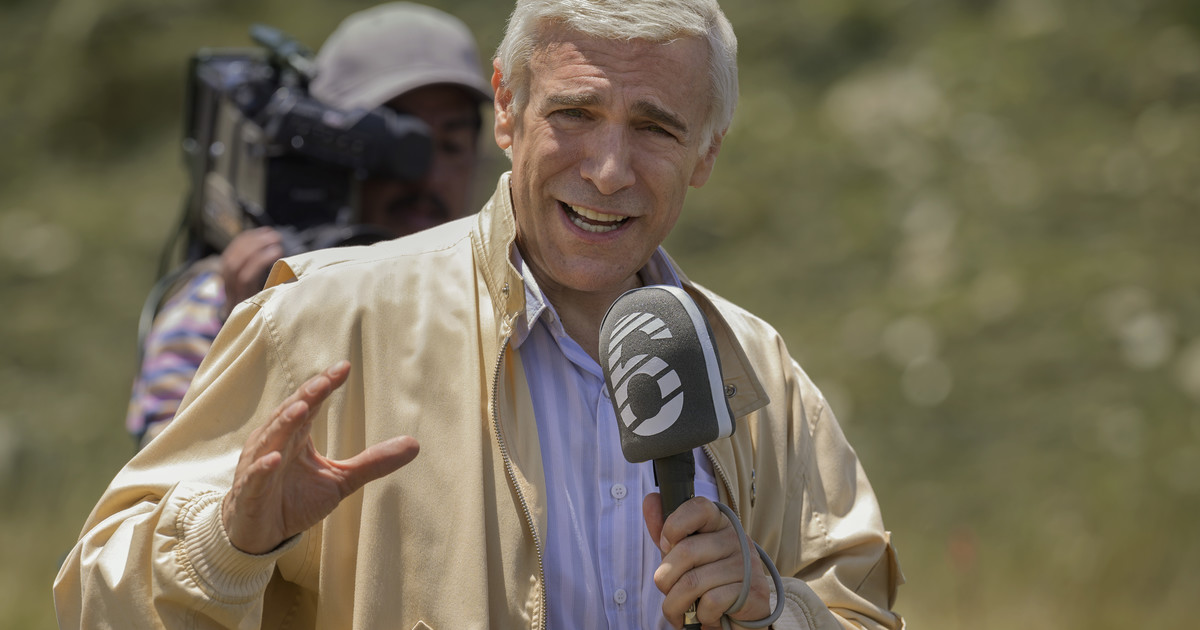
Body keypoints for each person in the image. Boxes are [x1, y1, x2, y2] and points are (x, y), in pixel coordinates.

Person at [56, 1, 906, 628]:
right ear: (507, 108)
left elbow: (861, 612)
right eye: (574, 113)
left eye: (655, 129)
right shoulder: (322, 318)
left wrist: (774, 610)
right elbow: (96, 604)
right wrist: (227, 544)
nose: (609, 170)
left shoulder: (757, 368)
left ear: (708, 151)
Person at [125, 1, 493, 447]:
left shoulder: (506, 303)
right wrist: (251, 351)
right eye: (396, 147)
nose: (426, 176)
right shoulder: (218, 301)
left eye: (451, 145)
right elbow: (167, 483)